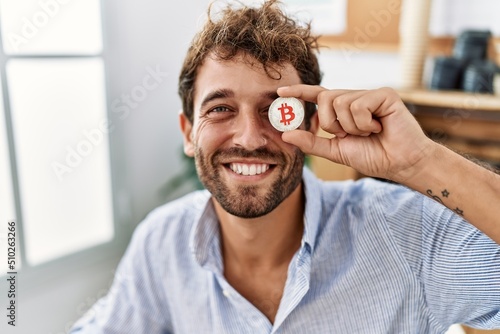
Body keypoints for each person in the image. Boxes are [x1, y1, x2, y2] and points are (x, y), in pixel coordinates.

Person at [70, 0, 500, 333]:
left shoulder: (406, 233)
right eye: (220, 109)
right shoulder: (161, 242)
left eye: (275, 110)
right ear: (188, 132)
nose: (250, 139)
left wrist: (422, 161)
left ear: (310, 122)